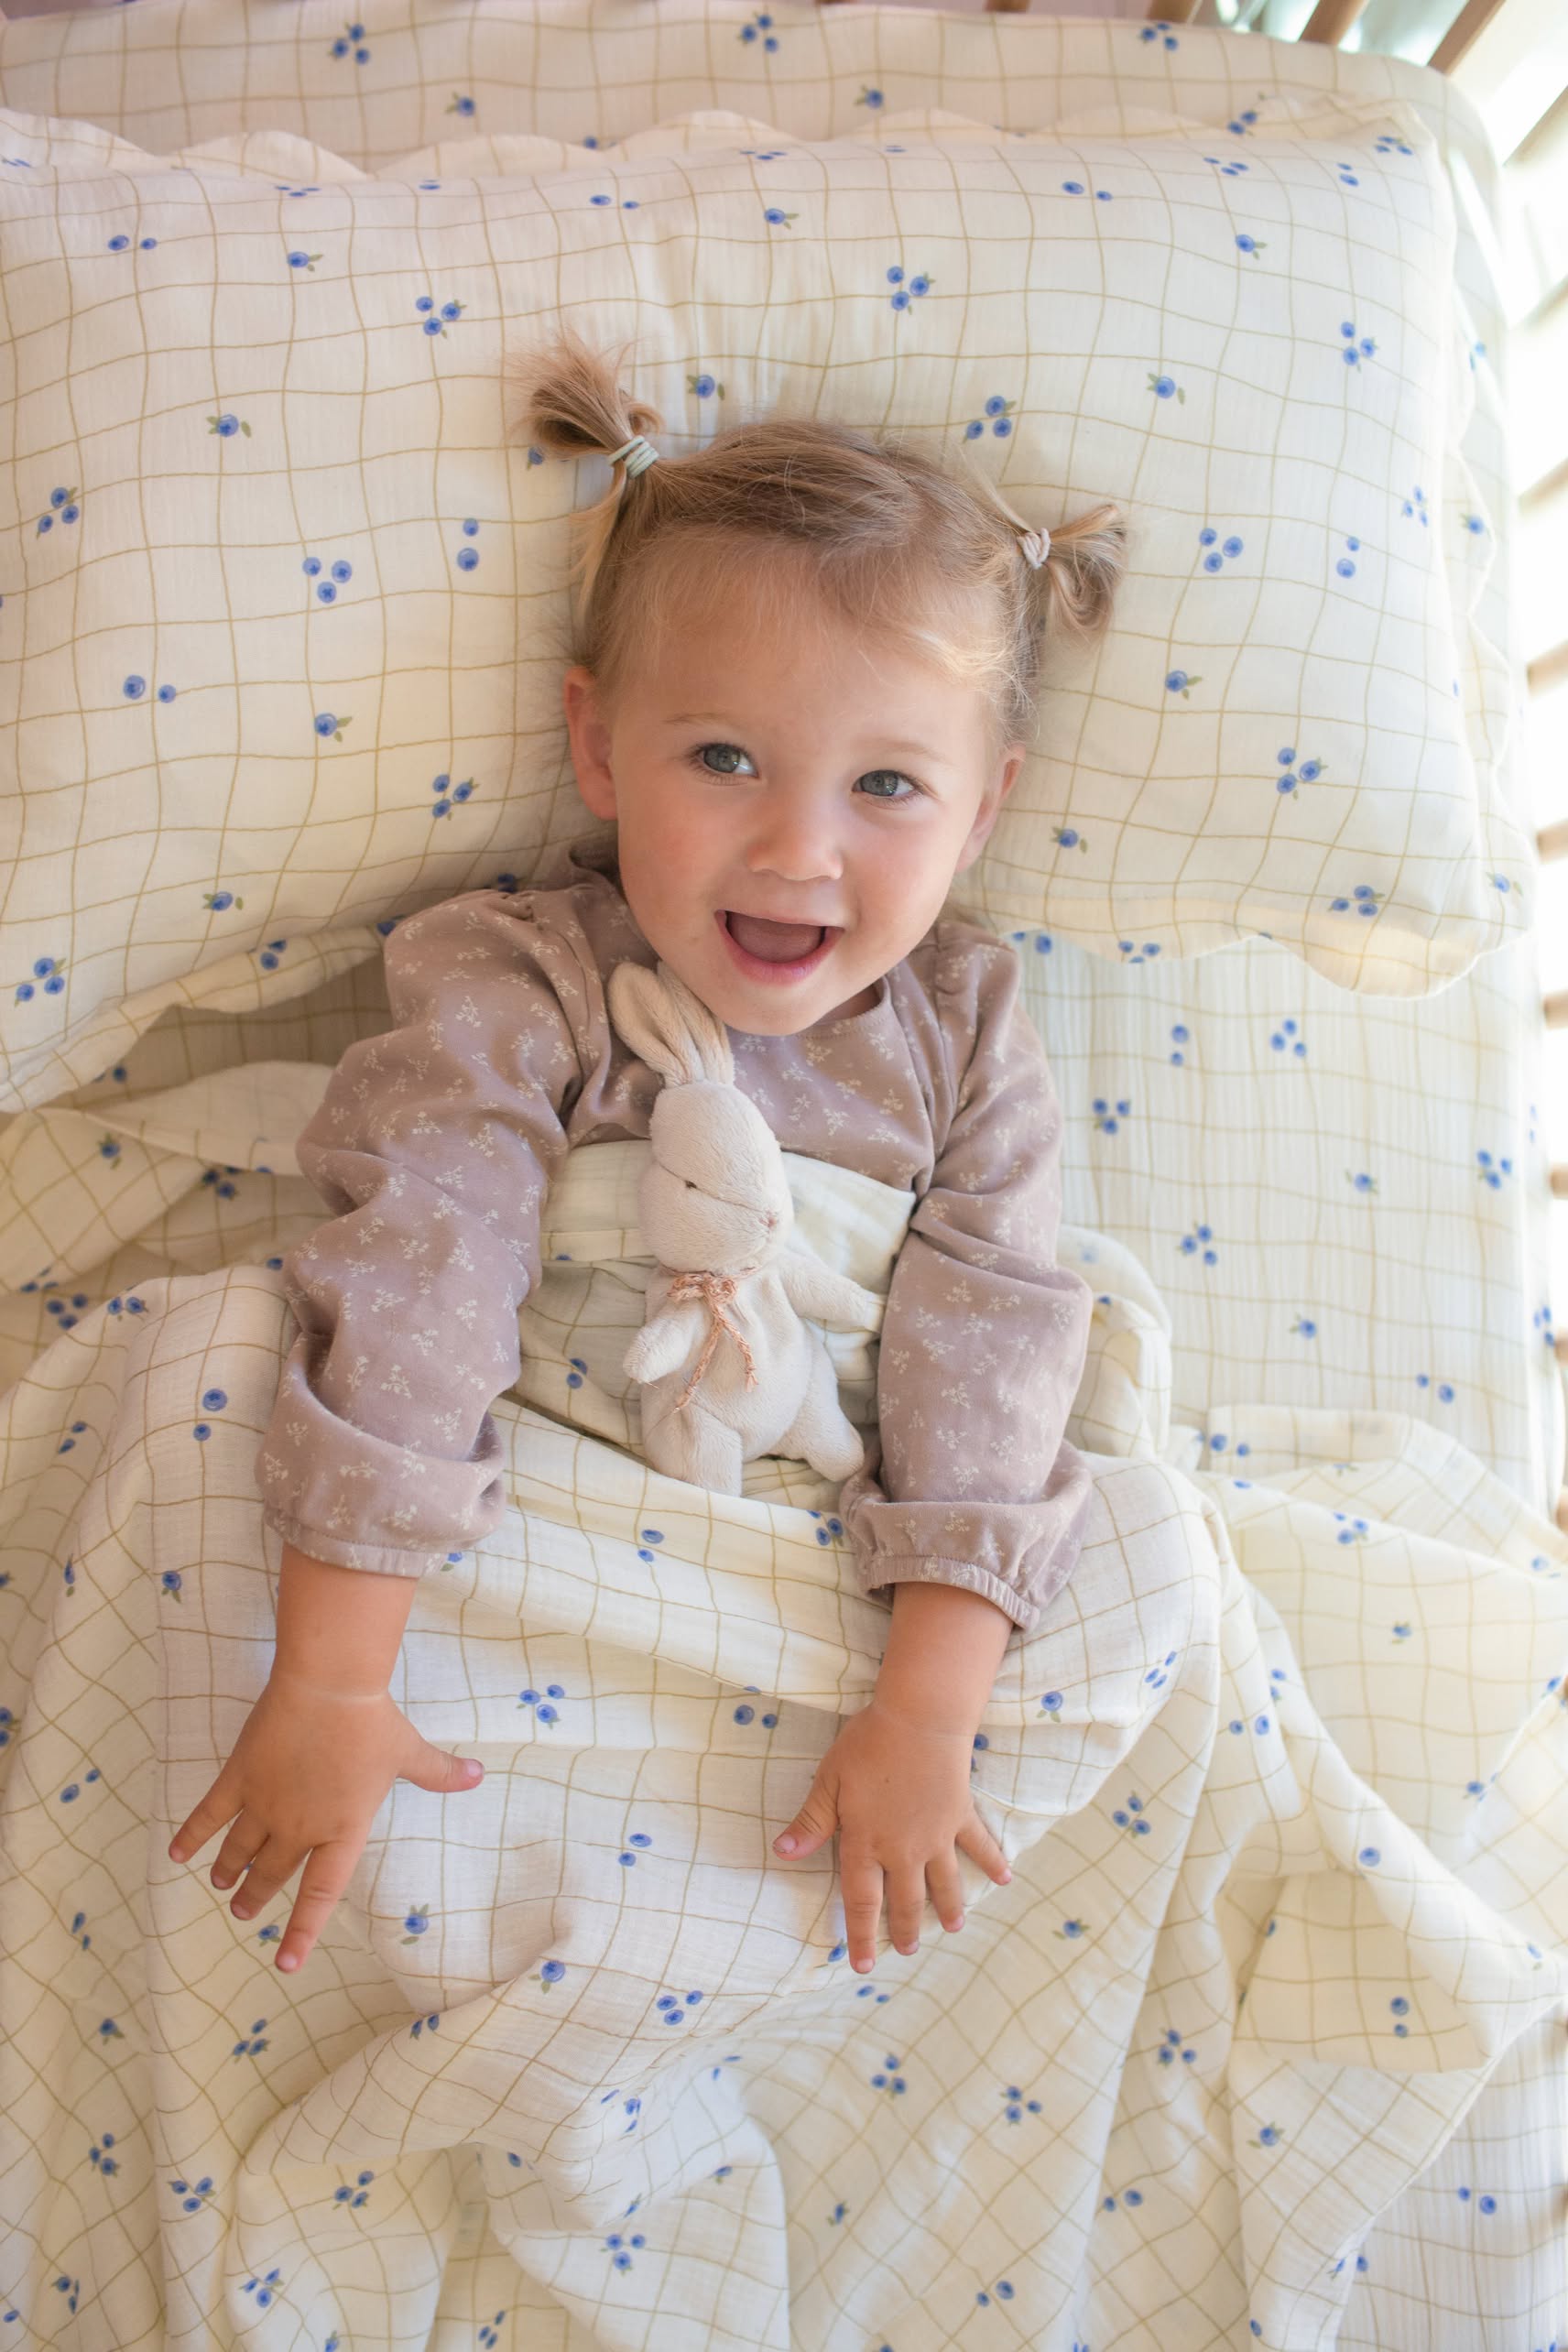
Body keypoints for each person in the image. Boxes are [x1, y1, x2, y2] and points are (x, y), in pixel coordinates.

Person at [168, 327, 1127, 1982]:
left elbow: (993, 1334)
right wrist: (330, 1672)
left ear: (982, 814)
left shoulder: (963, 1028)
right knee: (199, 1386)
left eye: (888, 783)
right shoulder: (526, 971)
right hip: (493, 1498)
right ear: (601, 748)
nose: (799, 846)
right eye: (725, 759)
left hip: (830, 1541)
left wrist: (926, 1705)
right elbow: (429, 1259)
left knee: (1151, 1560)